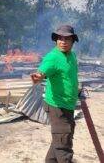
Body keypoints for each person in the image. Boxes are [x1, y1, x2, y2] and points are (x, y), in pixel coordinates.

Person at [31, 25, 79, 163]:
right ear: (56, 40)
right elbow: (42, 72)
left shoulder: (71, 56)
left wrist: (77, 90)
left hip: (68, 106)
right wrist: (38, 77)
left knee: (60, 140)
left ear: (73, 41)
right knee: (64, 148)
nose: (63, 41)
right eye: (60, 38)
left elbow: (70, 77)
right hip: (58, 108)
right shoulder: (53, 57)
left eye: (67, 39)